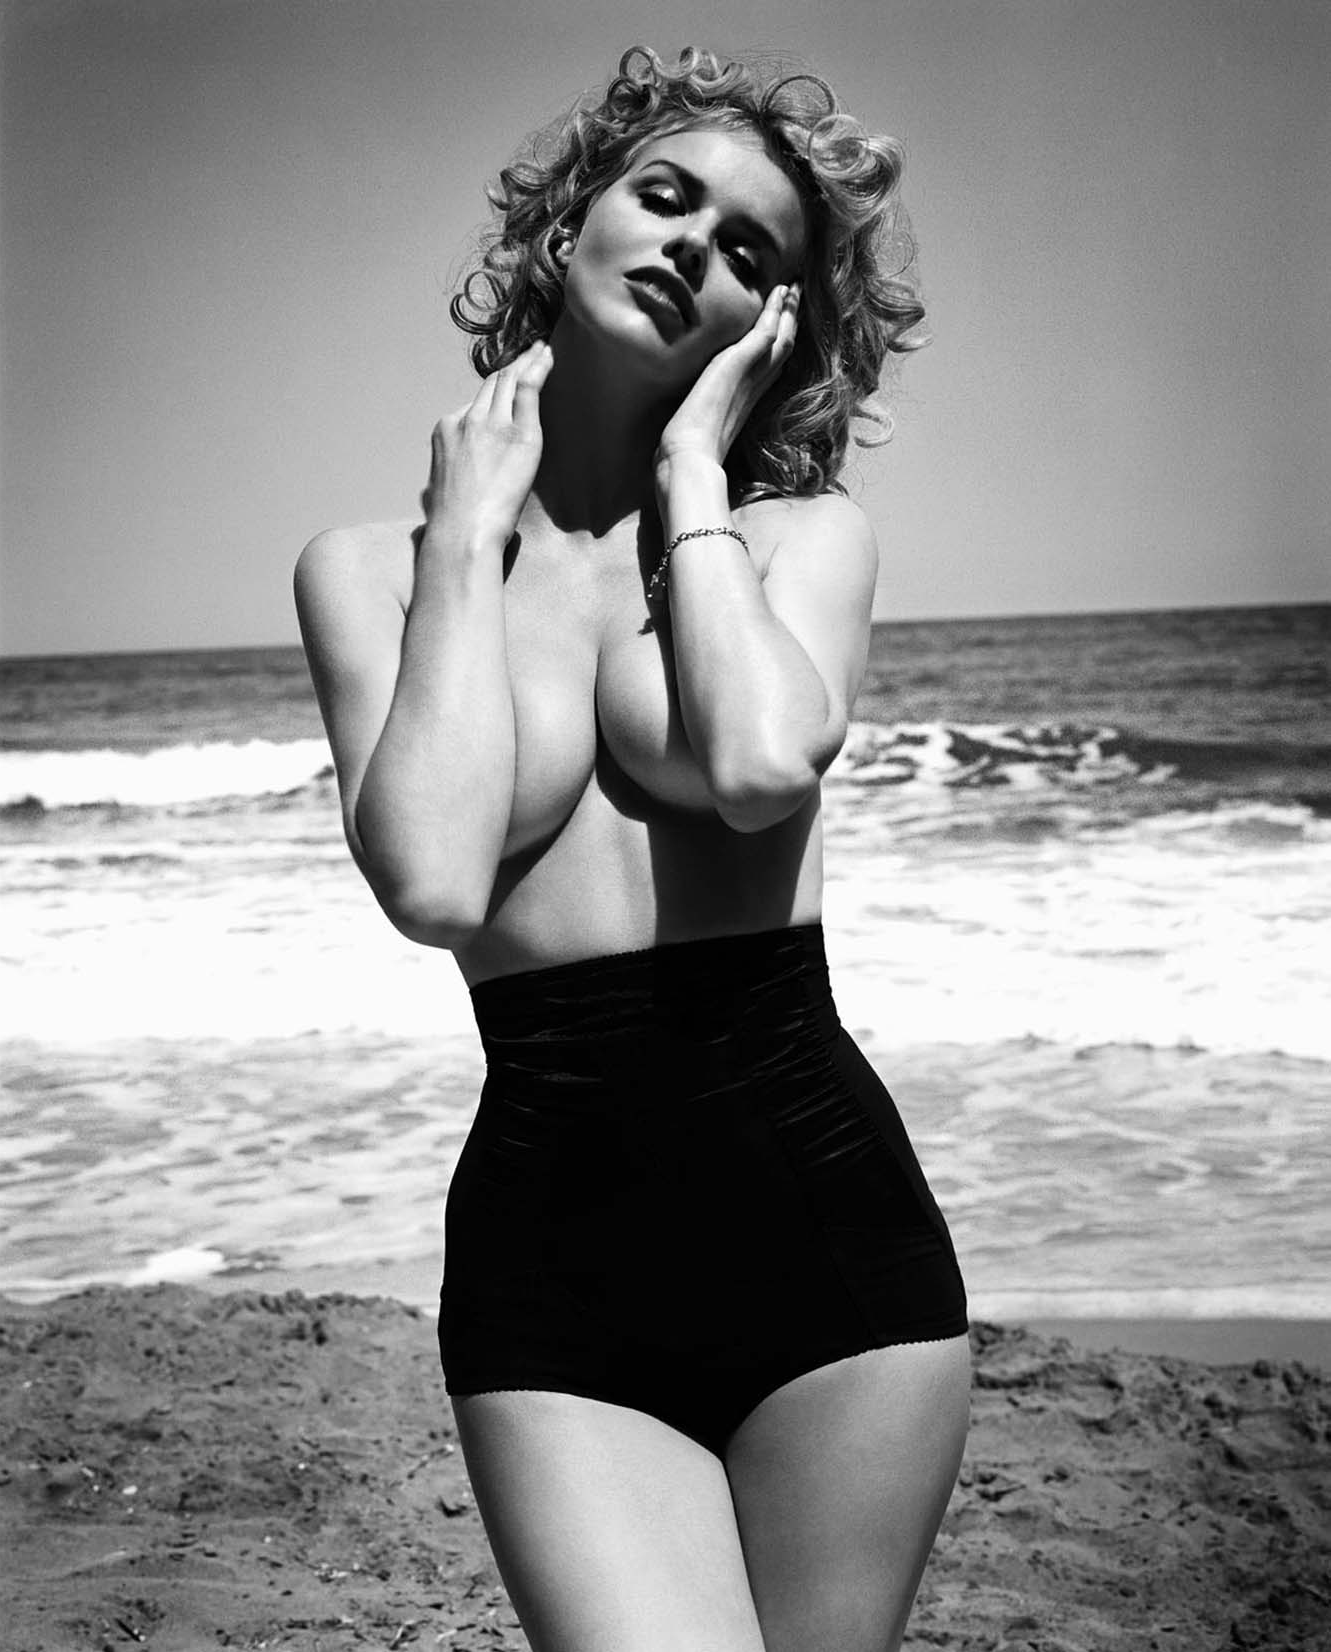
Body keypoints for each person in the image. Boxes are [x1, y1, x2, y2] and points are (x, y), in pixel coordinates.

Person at [295, 45, 970, 1652]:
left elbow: (753, 761)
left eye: (747, 249)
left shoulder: (794, 542)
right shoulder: (368, 571)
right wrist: (467, 537)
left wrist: (690, 473)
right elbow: (434, 878)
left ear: (774, 322)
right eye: (664, 198)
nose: (691, 248)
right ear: (565, 221)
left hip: (827, 1240)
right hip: (554, 1265)